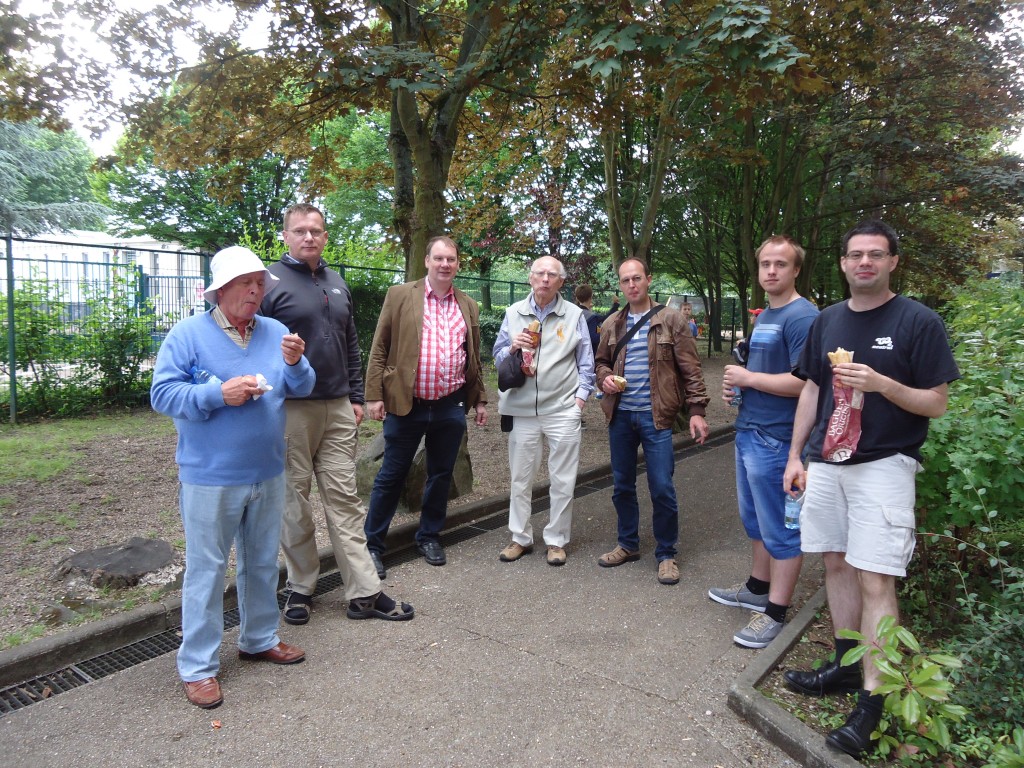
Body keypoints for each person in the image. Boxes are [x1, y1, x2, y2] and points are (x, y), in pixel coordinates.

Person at [781, 220, 960, 758]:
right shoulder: (828, 320)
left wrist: (883, 385)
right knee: (835, 562)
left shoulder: (918, 322)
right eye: (855, 255)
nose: (864, 263)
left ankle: (874, 700)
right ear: (841, 263)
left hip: (884, 464)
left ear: (892, 263)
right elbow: (812, 388)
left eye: (875, 255)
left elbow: (936, 402)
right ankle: (842, 663)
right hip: (827, 463)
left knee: (877, 577)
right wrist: (796, 454)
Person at [150, 246, 316, 709]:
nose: (255, 291)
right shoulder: (188, 335)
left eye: (260, 283)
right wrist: (216, 394)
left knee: (262, 561)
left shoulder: (277, 331)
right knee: (206, 570)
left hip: (267, 469)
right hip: (210, 476)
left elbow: (303, 386)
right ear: (220, 289)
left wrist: (296, 362)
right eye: (246, 283)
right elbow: (162, 394)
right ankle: (198, 667)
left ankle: (259, 638)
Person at [260, 203, 413, 625]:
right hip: (291, 409)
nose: (309, 237)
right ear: (286, 236)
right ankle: (301, 586)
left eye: (316, 230)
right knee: (294, 501)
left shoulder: (336, 282)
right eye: (300, 231)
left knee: (344, 500)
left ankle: (364, 592)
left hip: (338, 407)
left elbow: (349, 344)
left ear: (325, 236)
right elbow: (254, 348)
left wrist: (356, 396)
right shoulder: (269, 283)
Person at [707, 236, 819, 647]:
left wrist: (750, 379)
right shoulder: (767, 316)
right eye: (765, 264)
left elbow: (807, 382)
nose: (771, 271)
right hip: (750, 430)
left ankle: (775, 612)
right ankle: (757, 588)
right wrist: (739, 388)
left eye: (781, 264)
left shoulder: (803, 317)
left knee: (782, 528)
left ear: (795, 270)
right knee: (754, 519)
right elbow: (761, 371)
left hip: (779, 440)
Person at [363, 236, 488, 575]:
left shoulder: (468, 304)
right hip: (408, 403)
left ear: (458, 264)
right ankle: (372, 545)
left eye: (451, 259)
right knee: (391, 474)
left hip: (450, 404)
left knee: (441, 473)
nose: (445, 264)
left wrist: (479, 399)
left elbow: (472, 356)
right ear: (427, 262)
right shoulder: (401, 295)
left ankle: (429, 535)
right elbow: (379, 348)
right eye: (439, 258)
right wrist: (373, 395)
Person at [594, 259, 710, 584]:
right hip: (620, 416)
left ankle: (666, 554)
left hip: (656, 416)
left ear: (648, 280)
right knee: (622, 485)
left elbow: (691, 368)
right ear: (620, 284)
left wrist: (697, 410)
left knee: (661, 487)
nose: (632, 285)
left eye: (637, 278)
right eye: (625, 280)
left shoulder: (671, 319)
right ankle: (628, 544)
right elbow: (600, 362)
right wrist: (604, 378)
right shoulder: (613, 323)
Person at [493, 257, 593, 566]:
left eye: (552, 274)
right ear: (530, 278)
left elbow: (586, 364)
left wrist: (578, 403)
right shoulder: (513, 314)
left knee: (563, 479)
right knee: (520, 478)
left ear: (562, 282)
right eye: (540, 273)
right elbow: (496, 360)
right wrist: (512, 346)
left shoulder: (574, 315)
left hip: (562, 409)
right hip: (522, 410)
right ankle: (520, 537)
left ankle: (556, 540)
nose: (545, 279)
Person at [574, 283, 620, 353]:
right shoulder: (592, 317)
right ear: (590, 297)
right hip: (589, 353)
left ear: (577, 298)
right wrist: (615, 304)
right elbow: (606, 319)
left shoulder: (573, 313)